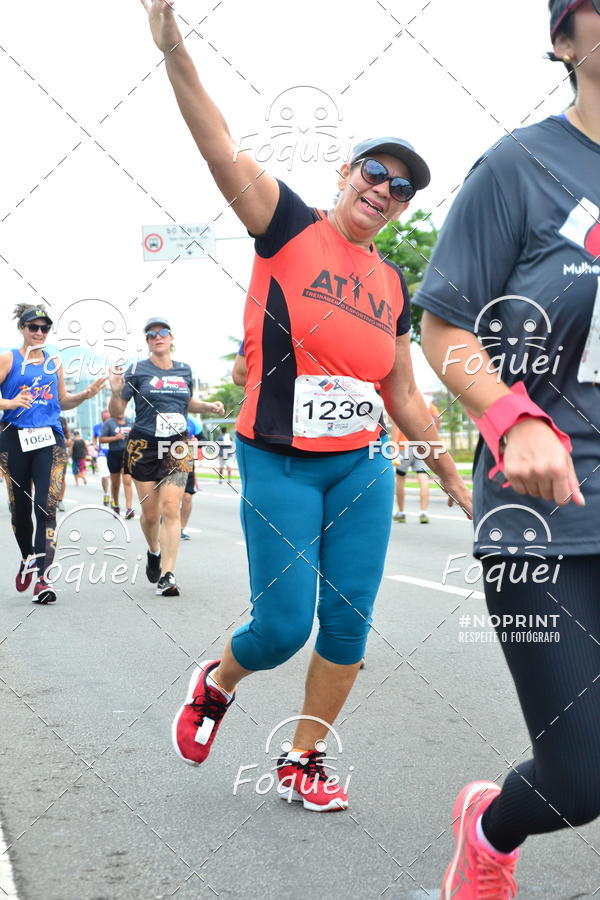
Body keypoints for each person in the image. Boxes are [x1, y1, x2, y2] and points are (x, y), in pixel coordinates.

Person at [140, 0, 471, 811]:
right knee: (283, 627)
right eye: (376, 173)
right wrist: (172, 42)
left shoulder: (392, 283)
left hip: (360, 469)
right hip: (279, 463)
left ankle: (303, 762)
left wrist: (461, 485)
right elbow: (216, 142)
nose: (387, 191)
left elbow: (404, 396)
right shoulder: (285, 223)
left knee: (349, 628)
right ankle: (217, 683)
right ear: (346, 173)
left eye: (401, 188)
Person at [414, 1, 600, 894]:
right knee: (580, 777)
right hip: (546, 520)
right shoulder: (521, 167)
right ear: (564, 41)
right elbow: (444, 319)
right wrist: (509, 415)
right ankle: (490, 828)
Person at [108, 317, 224, 596]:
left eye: (163, 332)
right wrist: (114, 391)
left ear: (172, 339)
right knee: (150, 515)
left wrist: (207, 405)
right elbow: (117, 412)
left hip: (177, 444)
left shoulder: (185, 370)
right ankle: (153, 550)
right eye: (151, 334)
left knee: (171, 508)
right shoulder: (137, 370)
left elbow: (187, 402)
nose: (158, 336)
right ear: (147, 341)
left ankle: (168, 574)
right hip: (143, 445)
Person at [0, 304, 104, 603]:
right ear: (22, 329)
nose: (39, 332)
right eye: (34, 327)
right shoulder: (8, 358)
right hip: (13, 439)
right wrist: (9, 404)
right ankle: (27, 559)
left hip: (50, 439)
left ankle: (44, 579)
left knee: (46, 507)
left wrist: (85, 395)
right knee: (20, 509)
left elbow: (63, 401)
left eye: (44, 328)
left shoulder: (53, 362)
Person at [392, 397, 440, 524]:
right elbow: (437, 417)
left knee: (400, 478)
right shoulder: (427, 402)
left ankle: (401, 513)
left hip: (405, 445)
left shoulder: (401, 400)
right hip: (422, 445)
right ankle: (423, 512)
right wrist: (435, 434)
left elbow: (396, 426)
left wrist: (393, 447)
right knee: (423, 477)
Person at [99, 413, 135, 518]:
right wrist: (116, 438)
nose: (121, 411)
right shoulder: (109, 423)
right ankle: (116, 505)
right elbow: (101, 439)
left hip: (127, 454)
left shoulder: (129, 422)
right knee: (115, 484)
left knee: (127, 480)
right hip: (114, 454)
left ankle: (129, 508)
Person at [180, 415, 199, 540]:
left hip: (187, 460)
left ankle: (181, 529)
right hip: (166, 459)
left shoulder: (194, 422)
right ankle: (167, 519)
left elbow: (200, 440)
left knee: (187, 497)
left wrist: (196, 443)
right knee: (170, 498)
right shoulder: (165, 414)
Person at [93, 410, 111, 506]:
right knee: (104, 476)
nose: (106, 421)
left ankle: (112, 496)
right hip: (102, 454)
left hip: (113, 453)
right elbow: (94, 437)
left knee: (113, 477)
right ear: (102, 418)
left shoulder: (114, 426)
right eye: (105, 419)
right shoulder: (97, 427)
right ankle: (106, 493)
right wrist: (95, 444)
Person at [56, 415, 70, 512]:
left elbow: (68, 435)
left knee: (62, 477)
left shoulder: (62, 419)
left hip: (60, 450)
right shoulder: (42, 415)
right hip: (44, 451)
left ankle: (60, 500)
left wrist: (69, 441)